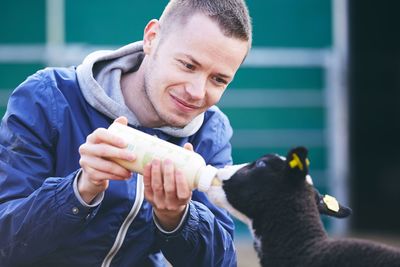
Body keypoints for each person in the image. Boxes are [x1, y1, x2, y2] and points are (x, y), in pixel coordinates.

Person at [0, 0, 252, 266]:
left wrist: (178, 218)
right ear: (152, 38)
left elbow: (221, 262)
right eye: (188, 66)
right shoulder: (48, 97)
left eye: (219, 80)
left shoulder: (210, 131)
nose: (197, 92)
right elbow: (6, 242)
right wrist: (78, 191)